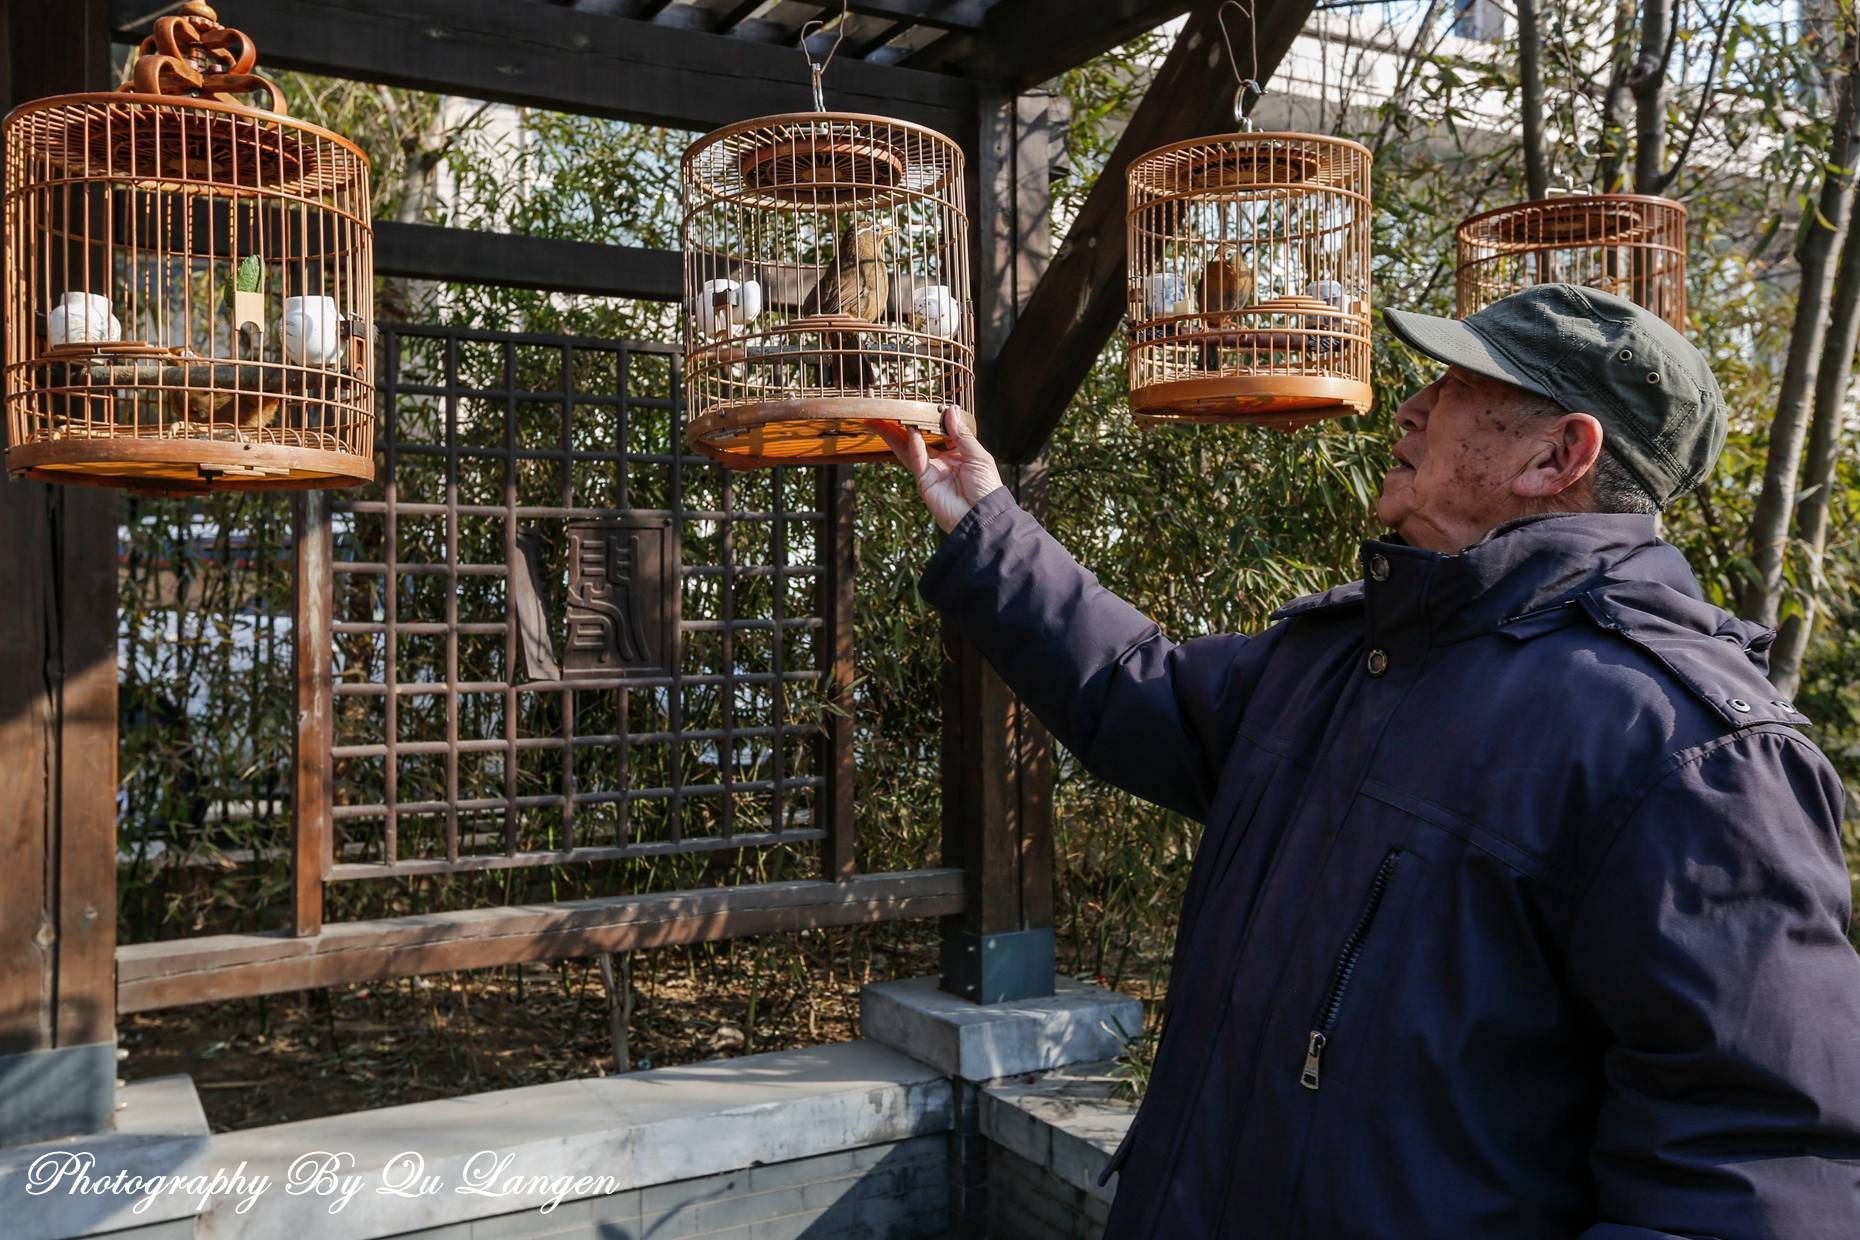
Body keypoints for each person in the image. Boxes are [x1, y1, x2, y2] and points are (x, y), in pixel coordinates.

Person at [876, 284, 1860, 1238]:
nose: (1414, 404)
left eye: (1460, 389)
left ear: (1559, 455)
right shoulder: (1352, 653)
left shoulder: (1688, 754)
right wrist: (988, 525)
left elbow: (1753, 1171)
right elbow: (1146, 695)